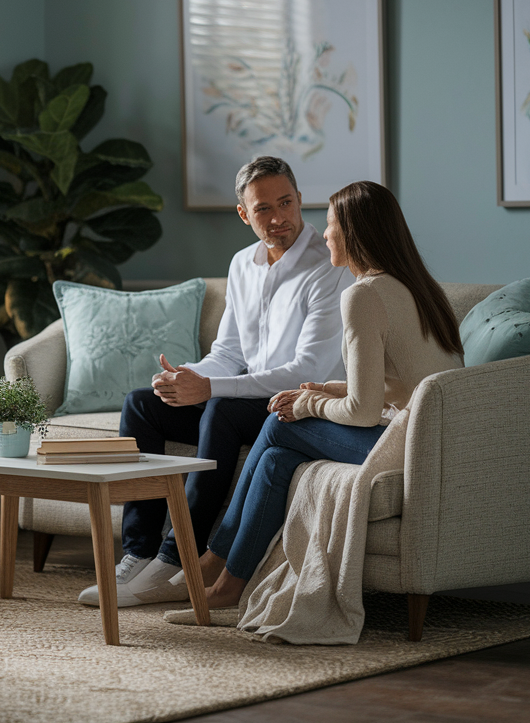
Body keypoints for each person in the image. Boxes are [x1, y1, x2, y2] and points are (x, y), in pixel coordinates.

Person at [79, 156, 354, 607]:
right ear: (245, 214)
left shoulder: (330, 265)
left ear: (300, 199)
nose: (279, 217)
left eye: (286, 202)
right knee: (142, 403)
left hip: (297, 408)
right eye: (264, 208)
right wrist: (186, 378)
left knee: (220, 410)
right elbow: (228, 355)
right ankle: (139, 552)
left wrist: (210, 390)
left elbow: (307, 372)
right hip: (246, 402)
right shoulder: (242, 264)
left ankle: (175, 557)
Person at [197, 180, 465, 609]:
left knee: (276, 423)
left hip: (405, 446)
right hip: (437, 440)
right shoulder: (415, 285)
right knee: (276, 460)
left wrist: (306, 403)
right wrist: (328, 389)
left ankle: (215, 558)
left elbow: (362, 413)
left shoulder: (363, 294)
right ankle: (230, 584)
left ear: (355, 233)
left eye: (330, 224)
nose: (323, 235)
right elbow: (399, 384)